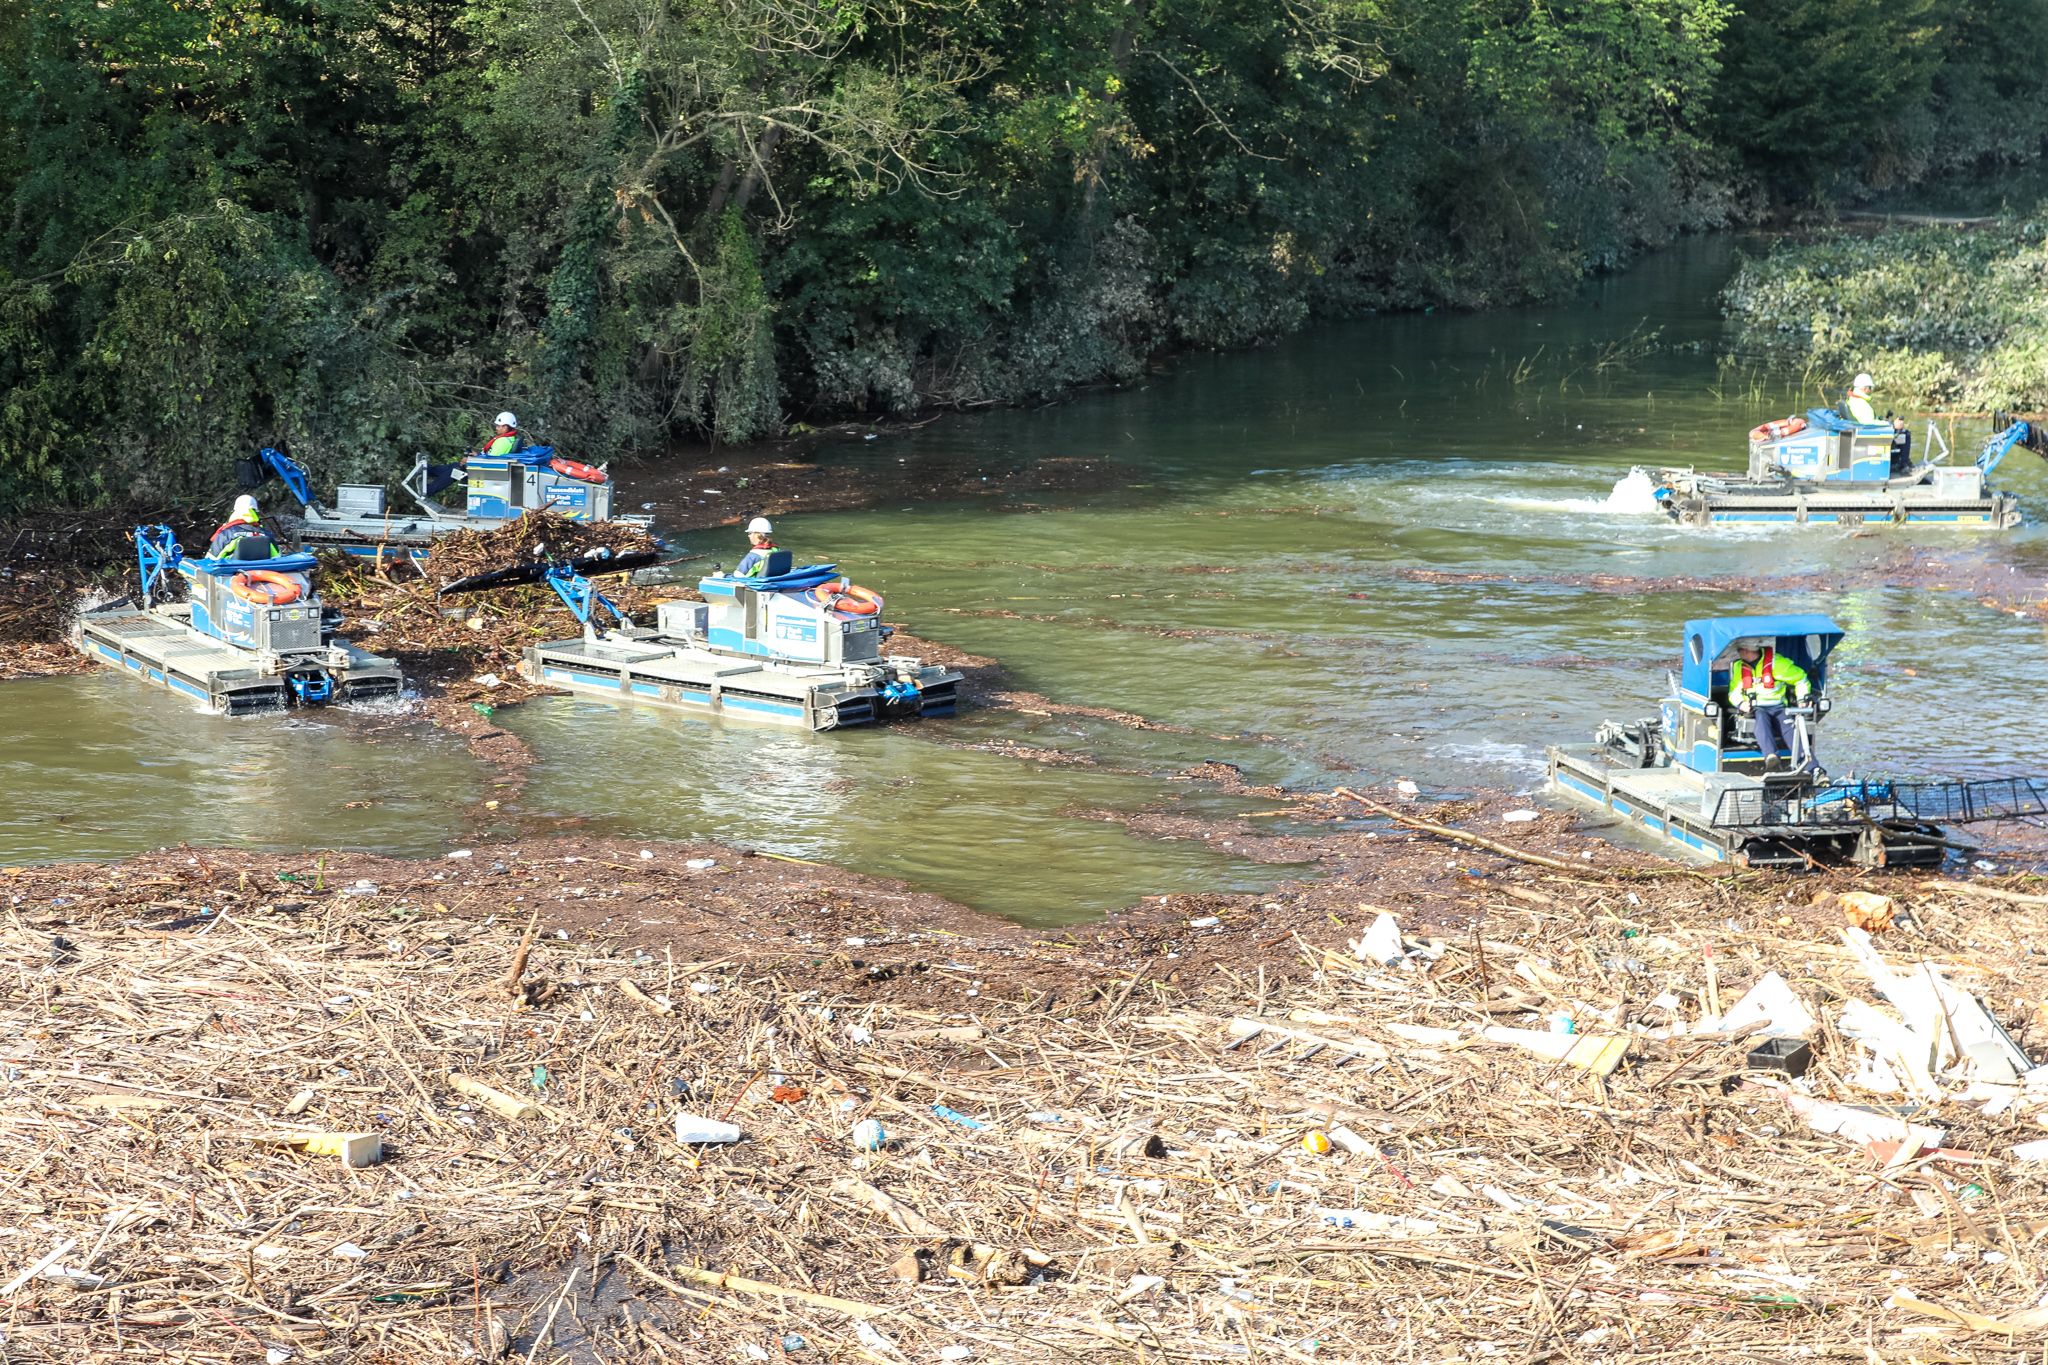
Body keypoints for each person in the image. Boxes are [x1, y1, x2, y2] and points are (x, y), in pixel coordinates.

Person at [1729, 640, 1813, 773]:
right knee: (1761, 720)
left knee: (1790, 729)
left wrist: (1802, 698)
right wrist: (1741, 703)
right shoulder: (1738, 667)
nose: (1739, 652)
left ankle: (1813, 768)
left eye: (1741, 649)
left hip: (1778, 707)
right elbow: (1733, 692)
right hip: (1756, 709)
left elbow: (1801, 679)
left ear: (1750, 650)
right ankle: (1771, 756)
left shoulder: (1777, 663)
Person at [206, 495, 281, 560]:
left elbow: (211, 559)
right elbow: (277, 557)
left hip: (234, 573)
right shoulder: (266, 534)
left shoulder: (226, 534)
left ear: (235, 512)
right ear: (255, 512)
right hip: (263, 573)